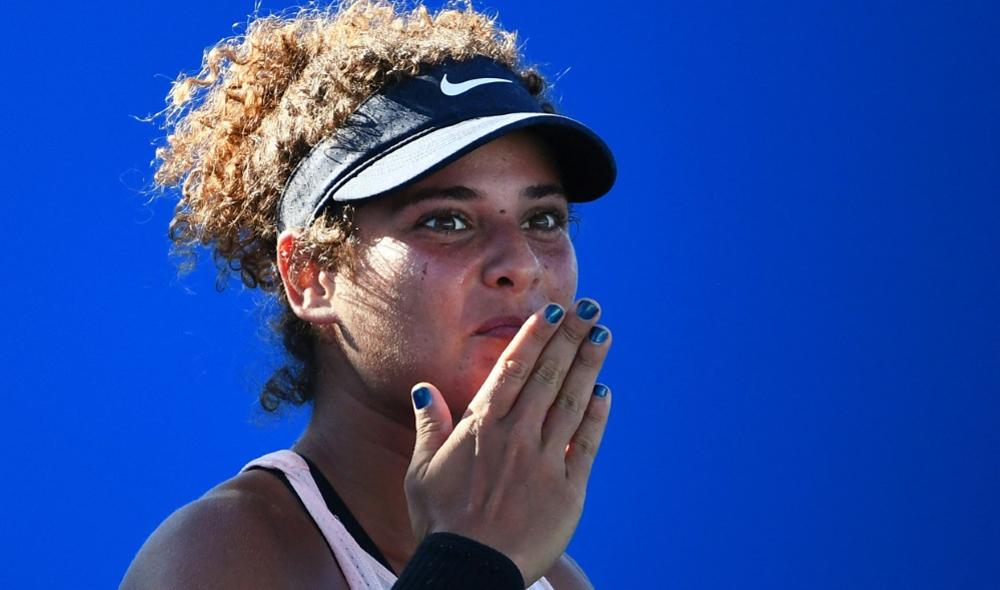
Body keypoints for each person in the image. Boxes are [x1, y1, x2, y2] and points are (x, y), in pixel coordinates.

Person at [121, 1, 616, 588]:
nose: (521, 265)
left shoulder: (558, 581)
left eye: (544, 220)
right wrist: (469, 564)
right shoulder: (220, 554)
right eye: (447, 220)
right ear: (309, 274)